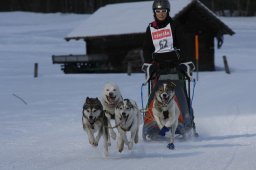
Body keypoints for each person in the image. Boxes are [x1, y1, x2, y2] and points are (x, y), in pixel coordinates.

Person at [142, 0, 186, 79]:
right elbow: (147, 48)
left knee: (172, 88)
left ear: (167, 11)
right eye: (158, 11)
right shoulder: (151, 28)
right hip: (157, 67)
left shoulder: (175, 25)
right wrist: (148, 64)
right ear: (154, 12)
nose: (161, 14)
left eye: (163, 11)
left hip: (175, 65)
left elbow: (184, 44)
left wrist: (184, 62)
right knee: (159, 90)